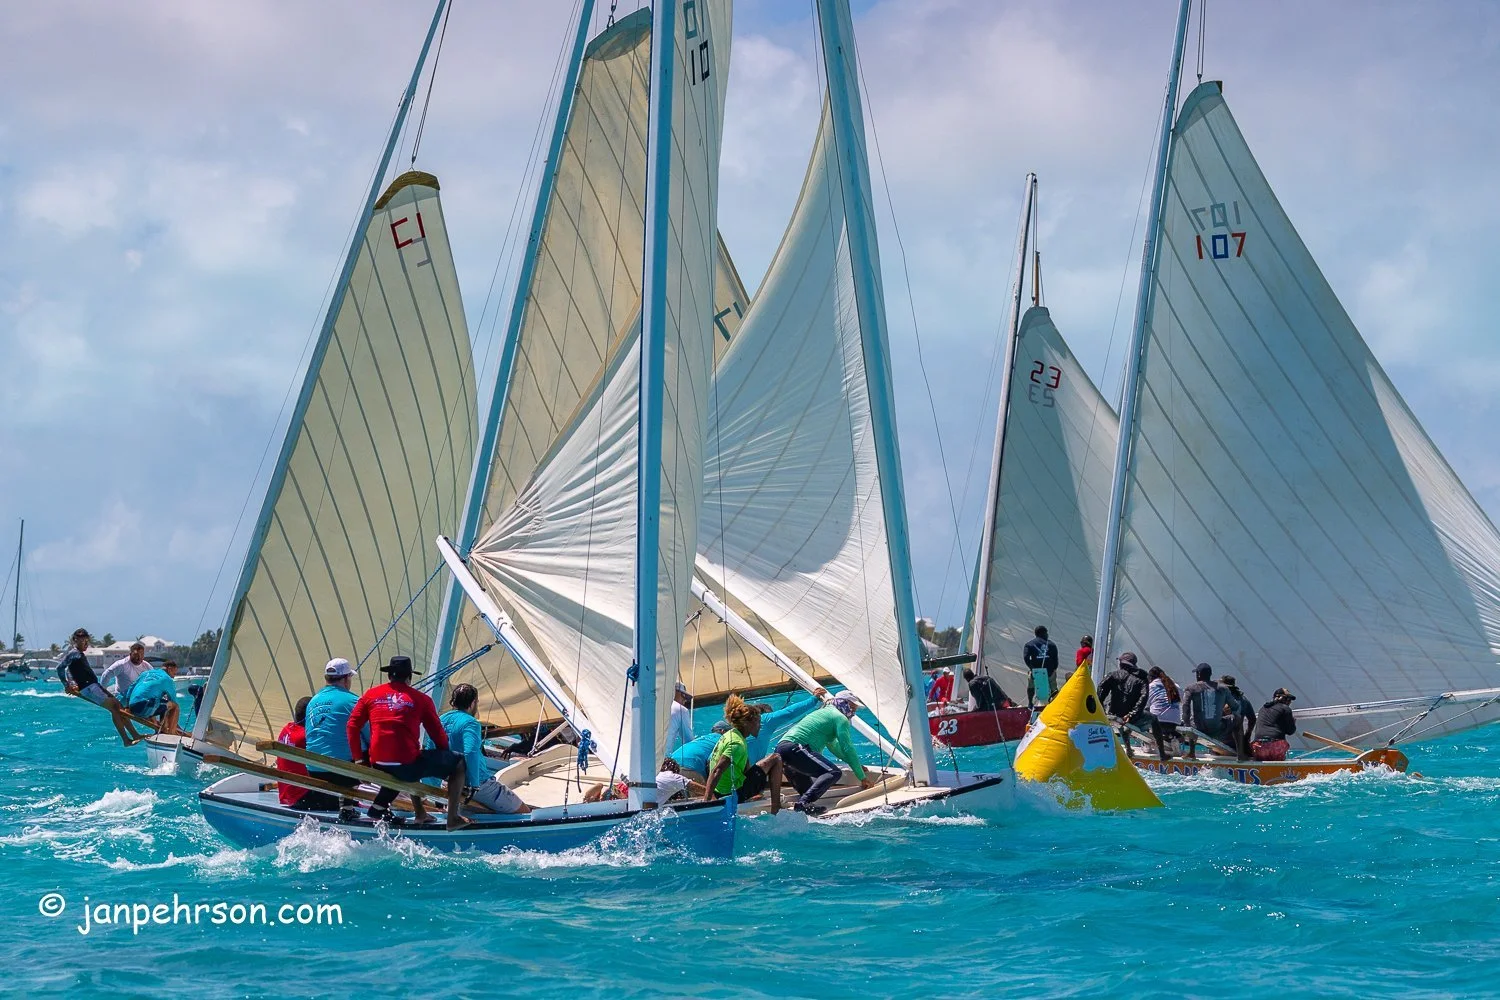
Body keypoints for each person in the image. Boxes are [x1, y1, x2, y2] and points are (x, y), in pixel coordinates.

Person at [347, 655, 466, 829]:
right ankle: (453, 819)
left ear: (389, 676)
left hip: (378, 763)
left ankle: (417, 813)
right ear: (409, 678)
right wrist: (445, 755)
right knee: (458, 762)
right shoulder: (422, 699)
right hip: (406, 767)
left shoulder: (371, 695)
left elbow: (352, 725)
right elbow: (437, 734)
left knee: (415, 759)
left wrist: (359, 760)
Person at [434, 683, 531, 815]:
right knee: (524, 812)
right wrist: (474, 785)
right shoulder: (470, 722)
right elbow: (470, 753)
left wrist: (435, 787)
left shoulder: (441, 720)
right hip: (478, 785)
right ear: (473, 703)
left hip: (450, 783)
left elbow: (431, 749)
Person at [775, 692, 874, 814]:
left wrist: (856, 765)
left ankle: (805, 807)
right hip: (796, 748)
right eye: (852, 708)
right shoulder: (840, 718)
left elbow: (835, 747)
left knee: (808, 790)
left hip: (782, 749)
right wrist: (862, 778)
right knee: (833, 772)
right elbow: (847, 748)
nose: (853, 713)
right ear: (844, 703)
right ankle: (803, 804)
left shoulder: (823, 713)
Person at [58, 627, 143, 746]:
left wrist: (73, 683)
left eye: (87, 641)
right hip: (88, 688)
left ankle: (134, 735)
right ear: (75, 640)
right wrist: (67, 685)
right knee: (115, 707)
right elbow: (60, 668)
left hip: (94, 686)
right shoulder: (74, 654)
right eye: (82, 641)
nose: (85, 644)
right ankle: (126, 740)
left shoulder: (79, 654)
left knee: (118, 706)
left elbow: (72, 671)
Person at [702, 694, 784, 813]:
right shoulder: (737, 744)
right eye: (758, 722)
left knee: (765, 761)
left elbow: (746, 767)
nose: (760, 726)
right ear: (747, 724)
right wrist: (707, 803)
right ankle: (776, 807)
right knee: (776, 758)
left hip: (724, 791)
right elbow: (717, 770)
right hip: (731, 794)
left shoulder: (731, 734)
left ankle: (754, 796)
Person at [305, 657, 362, 801]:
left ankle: (347, 806)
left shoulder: (313, 701)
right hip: (342, 773)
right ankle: (382, 805)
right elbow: (370, 735)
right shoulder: (353, 701)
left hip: (314, 769)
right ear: (346, 679)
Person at [275, 696, 341, 811]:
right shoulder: (307, 737)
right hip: (304, 798)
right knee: (348, 797)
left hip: (287, 796)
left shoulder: (286, 729)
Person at [1098, 652, 1160, 756]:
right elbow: (1142, 700)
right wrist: (1132, 714)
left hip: (1114, 712)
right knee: (1153, 718)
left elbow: (1101, 690)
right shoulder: (1140, 679)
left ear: (1121, 664)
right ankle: (1159, 748)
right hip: (1129, 716)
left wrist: (1100, 709)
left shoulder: (1113, 675)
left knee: (1123, 720)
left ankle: (1128, 747)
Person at [744, 687, 826, 760]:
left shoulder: (741, 725)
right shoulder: (765, 719)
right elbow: (790, 712)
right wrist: (814, 699)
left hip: (739, 770)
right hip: (749, 773)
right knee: (776, 758)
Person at [1180, 663, 1229, 758]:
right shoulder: (1223, 689)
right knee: (1236, 718)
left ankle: (1191, 752)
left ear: (1198, 674)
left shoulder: (1191, 688)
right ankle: (1240, 753)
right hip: (1217, 730)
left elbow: (1186, 707)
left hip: (1199, 728)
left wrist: (1187, 727)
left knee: (1190, 721)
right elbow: (1234, 707)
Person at [124, 660, 181, 735]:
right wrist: (175, 725)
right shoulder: (168, 679)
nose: (174, 676)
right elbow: (173, 702)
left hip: (132, 706)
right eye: (174, 673)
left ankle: (162, 730)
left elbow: (131, 688)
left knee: (161, 702)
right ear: (169, 669)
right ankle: (171, 733)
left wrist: (127, 707)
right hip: (144, 708)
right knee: (175, 707)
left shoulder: (145, 673)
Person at [1251, 688, 1298, 761]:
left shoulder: (1263, 708)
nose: (1290, 702)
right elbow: (1290, 731)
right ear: (1284, 699)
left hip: (1258, 745)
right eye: (1289, 699)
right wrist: (1293, 723)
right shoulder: (1285, 709)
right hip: (1275, 746)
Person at [1146, 666, 1183, 756]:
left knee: (1143, 713)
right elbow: (1182, 700)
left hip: (1157, 722)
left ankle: (1147, 744)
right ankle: (1175, 739)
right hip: (1174, 722)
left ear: (1150, 678)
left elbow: (1144, 704)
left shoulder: (1151, 686)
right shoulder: (1174, 685)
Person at [1219, 676, 1257, 761]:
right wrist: (1248, 735)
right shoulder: (1243, 699)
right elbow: (1252, 719)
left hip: (1220, 739)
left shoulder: (1220, 698)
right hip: (1237, 742)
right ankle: (1241, 755)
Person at [1024, 626, 1059, 707]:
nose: (1047, 635)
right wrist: (1053, 669)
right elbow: (1055, 659)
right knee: (1053, 687)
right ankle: (1055, 703)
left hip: (1036, 671)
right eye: (1046, 633)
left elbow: (1026, 657)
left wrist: (1032, 668)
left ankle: (1030, 702)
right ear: (1043, 633)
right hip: (1049, 671)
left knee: (1031, 685)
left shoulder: (1029, 644)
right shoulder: (1052, 644)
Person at [667, 681, 694, 753]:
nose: (684, 701)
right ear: (674, 692)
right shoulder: (681, 709)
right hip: (661, 761)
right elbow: (689, 741)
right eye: (683, 695)